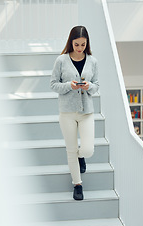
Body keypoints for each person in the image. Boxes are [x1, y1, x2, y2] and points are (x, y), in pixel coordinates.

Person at [50, 26, 99, 201]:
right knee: (71, 150)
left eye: (83, 45)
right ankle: (77, 184)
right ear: (71, 42)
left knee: (88, 149)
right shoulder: (61, 61)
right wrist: (68, 86)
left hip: (86, 112)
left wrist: (89, 87)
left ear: (87, 44)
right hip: (67, 113)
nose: (79, 48)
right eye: (76, 44)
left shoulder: (92, 61)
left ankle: (81, 157)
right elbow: (53, 84)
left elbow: (97, 86)